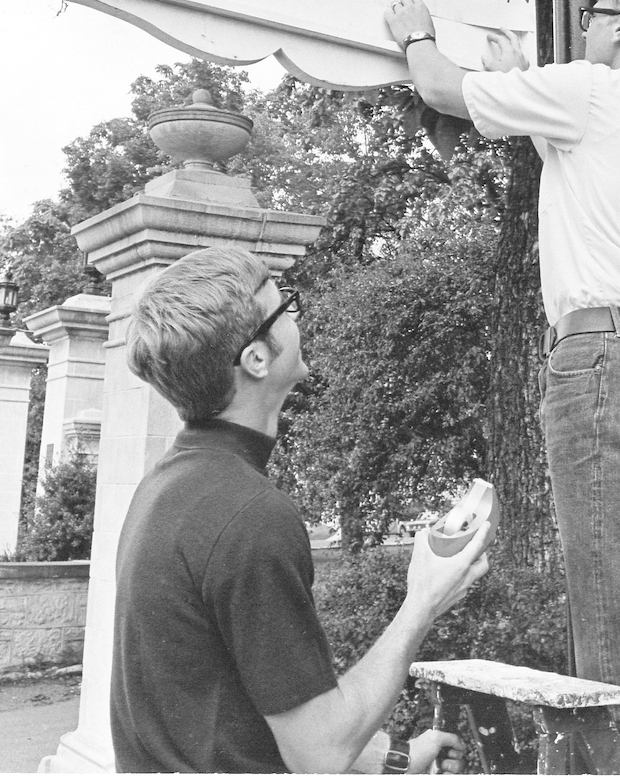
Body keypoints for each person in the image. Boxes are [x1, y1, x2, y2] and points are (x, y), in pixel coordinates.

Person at [384, 0, 620, 775]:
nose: (582, 26)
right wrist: (518, 84)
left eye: (592, 15)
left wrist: (416, 31)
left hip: (605, 368)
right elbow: (585, 165)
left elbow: (437, 88)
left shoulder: (592, 94)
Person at [110, 245, 491, 774]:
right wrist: (423, 600)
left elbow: (236, 707)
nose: (295, 314)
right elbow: (320, 753)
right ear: (256, 358)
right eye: (284, 306)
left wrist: (393, 757)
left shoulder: (169, 487)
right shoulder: (249, 515)